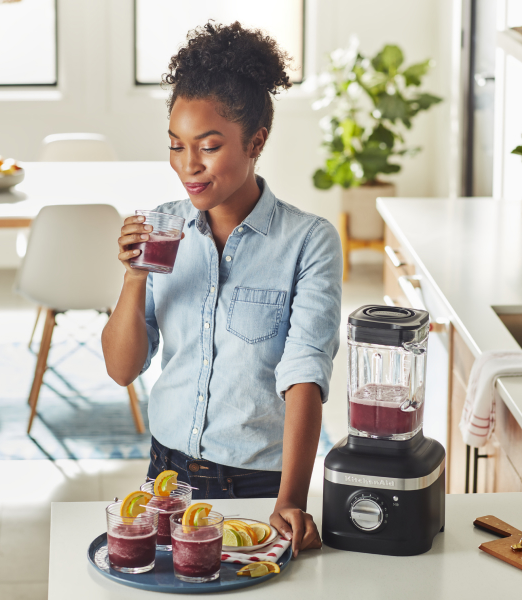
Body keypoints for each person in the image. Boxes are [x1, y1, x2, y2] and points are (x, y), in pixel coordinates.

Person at [102, 21, 342, 557]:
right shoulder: (162, 228)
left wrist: (291, 500)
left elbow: (305, 375)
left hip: (256, 484)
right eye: (176, 146)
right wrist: (134, 276)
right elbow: (121, 369)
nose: (188, 165)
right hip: (166, 474)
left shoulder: (308, 242)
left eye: (208, 147)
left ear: (256, 142)